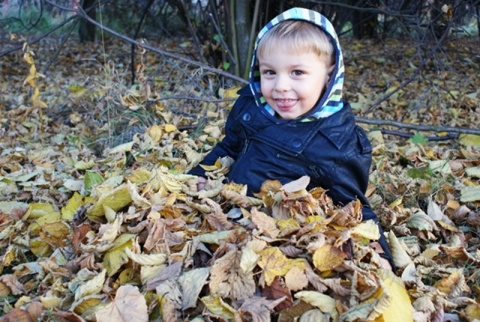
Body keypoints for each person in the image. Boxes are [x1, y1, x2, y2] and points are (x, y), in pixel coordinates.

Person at [189, 7, 394, 270]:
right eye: (270, 72)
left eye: (297, 73)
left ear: (329, 76)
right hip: (227, 215)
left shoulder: (335, 143)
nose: (281, 86)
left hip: (280, 244)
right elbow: (229, 146)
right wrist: (198, 175)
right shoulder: (251, 108)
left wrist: (381, 257)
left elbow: (354, 207)